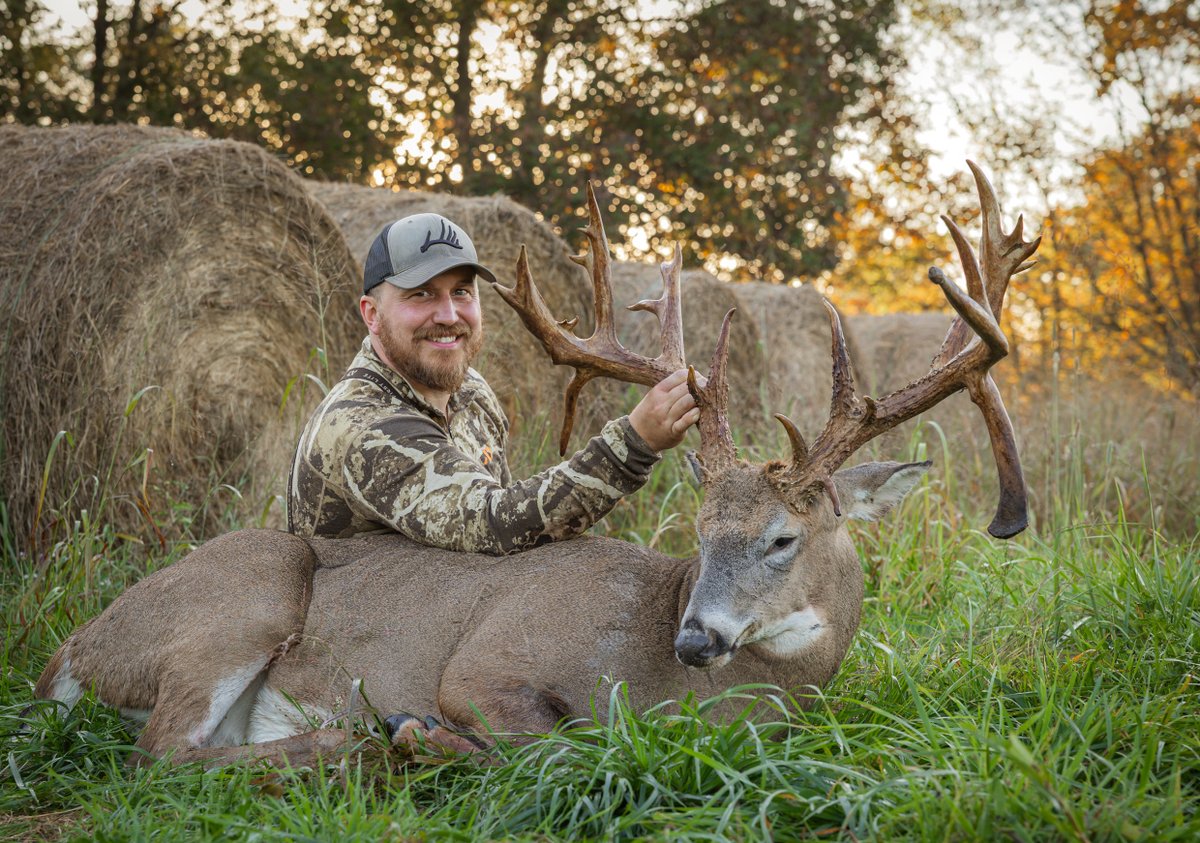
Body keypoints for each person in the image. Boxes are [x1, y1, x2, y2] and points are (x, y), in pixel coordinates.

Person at [287, 212, 700, 554]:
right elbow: (495, 525)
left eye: (462, 291)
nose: (449, 315)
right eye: (422, 295)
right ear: (371, 314)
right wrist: (632, 444)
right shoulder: (363, 427)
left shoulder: (471, 391)